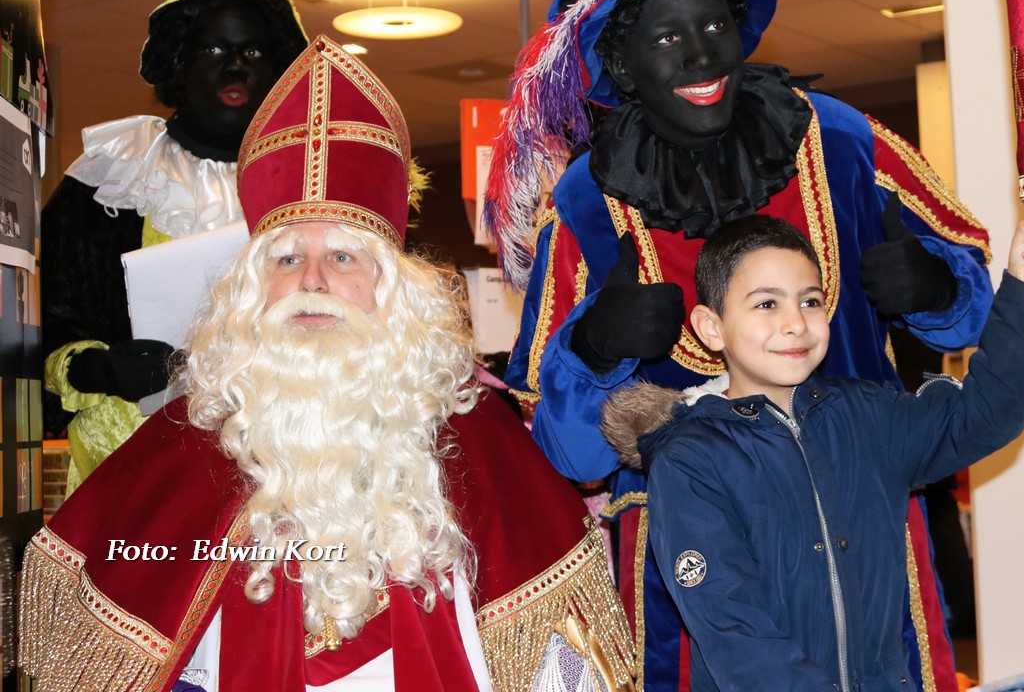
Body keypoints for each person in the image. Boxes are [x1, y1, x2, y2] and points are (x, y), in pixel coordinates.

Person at [20, 37, 634, 692]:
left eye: (342, 257)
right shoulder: (185, 438)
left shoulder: (480, 434)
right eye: (287, 259)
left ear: (391, 288)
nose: (312, 281)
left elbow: (554, 659)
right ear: (253, 289)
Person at [484, 0, 999, 691]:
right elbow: (568, 456)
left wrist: (936, 288)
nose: (700, 53)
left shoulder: (841, 141)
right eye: (666, 36)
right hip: (691, 565)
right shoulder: (586, 203)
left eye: (714, 24)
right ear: (622, 63)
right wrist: (594, 349)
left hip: (860, 523)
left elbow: (980, 309)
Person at [601, 213, 1024, 692]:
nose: (795, 324)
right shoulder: (692, 460)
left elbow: (983, 414)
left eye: (810, 301)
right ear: (711, 327)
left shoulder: (868, 416)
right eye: (767, 303)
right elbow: (735, 632)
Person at [41, 0, 308, 491]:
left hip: (287, 466)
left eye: (253, 53)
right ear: (179, 63)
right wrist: (102, 369)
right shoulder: (110, 180)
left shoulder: (317, 184)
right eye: (214, 50)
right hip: (135, 472)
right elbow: (42, 322)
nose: (235, 67)